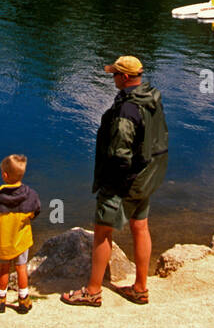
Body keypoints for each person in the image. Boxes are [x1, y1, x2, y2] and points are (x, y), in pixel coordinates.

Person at [62, 56, 168, 308]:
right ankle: (140, 288)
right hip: (147, 176)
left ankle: (92, 291)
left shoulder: (126, 110)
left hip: (125, 181)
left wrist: (111, 183)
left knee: (102, 232)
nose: (112, 78)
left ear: (125, 77)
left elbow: (120, 153)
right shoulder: (150, 97)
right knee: (140, 226)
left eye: (115, 75)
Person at [0, 154, 40, 314]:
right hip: (21, 241)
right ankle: (24, 301)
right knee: (21, 268)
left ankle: (0, 300)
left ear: (4, 175)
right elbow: (35, 212)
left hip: (3, 243)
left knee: (4, 269)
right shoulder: (31, 195)